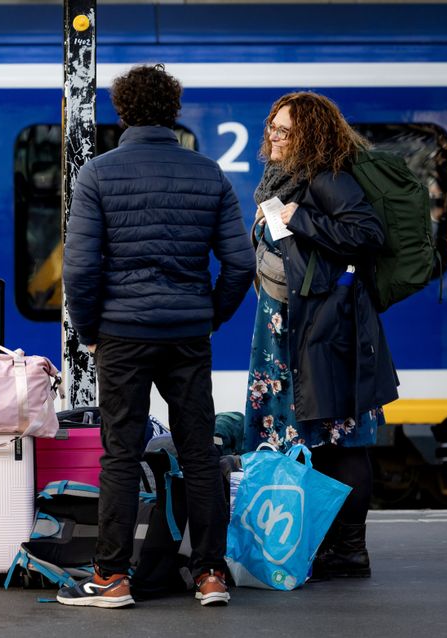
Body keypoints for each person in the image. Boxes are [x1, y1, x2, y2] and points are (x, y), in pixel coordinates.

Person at [61, 63, 255, 608]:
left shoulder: (97, 174)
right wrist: (209, 315)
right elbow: (239, 264)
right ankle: (210, 573)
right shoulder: (209, 174)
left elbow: (79, 270)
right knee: (199, 452)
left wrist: (91, 329)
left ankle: (113, 576)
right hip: (188, 334)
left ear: (122, 111)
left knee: (120, 455)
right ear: (174, 110)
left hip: (122, 334)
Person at [244, 92, 400, 579]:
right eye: (272, 126)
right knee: (307, 437)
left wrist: (300, 219)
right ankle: (318, 543)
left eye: (285, 130)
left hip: (324, 332)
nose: (274, 135)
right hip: (290, 330)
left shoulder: (327, 179)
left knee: (341, 437)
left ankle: (349, 550)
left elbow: (368, 234)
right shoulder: (283, 181)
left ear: (308, 136)